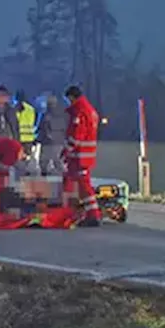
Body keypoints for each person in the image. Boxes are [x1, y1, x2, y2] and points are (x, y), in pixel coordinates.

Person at [62, 85, 102, 226]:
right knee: (72, 182)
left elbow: (76, 136)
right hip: (85, 155)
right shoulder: (90, 110)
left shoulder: (80, 112)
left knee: (83, 186)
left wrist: (66, 150)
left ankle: (92, 215)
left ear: (72, 97)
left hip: (79, 156)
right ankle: (75, 211)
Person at [37, 94, 68, 176]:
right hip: (59, 142)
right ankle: (65, 177)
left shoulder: (46, 115)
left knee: (44, 161)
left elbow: (41, 128)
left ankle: (44, 176)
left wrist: (38, 139)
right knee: (58, 161)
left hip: (48, 142)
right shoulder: (63, 114)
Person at [14, 89, 38, 175]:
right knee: (27, 156)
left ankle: (20, 172)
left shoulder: (14, 109)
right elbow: (34, 122)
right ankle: (27, 171)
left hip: (18, 137)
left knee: (18, 157)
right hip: (29, 138)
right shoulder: (31, 109)